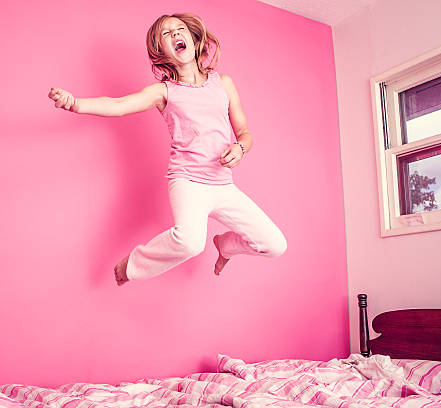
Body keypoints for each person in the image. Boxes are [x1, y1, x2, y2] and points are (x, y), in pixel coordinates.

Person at [48, 13, 286, 286]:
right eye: (166, 33)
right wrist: (75, 103)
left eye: (180, 29)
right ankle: (133, 265)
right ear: (161, 52)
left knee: (275, 244)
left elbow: (245, 133)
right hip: (188, 181)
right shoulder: (164, 91)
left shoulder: (224, 83)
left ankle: (226, 246)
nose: (174, 34)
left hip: (222, 183)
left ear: (195, 41)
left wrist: (240, 148)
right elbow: (118, 105)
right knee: (190, 242)